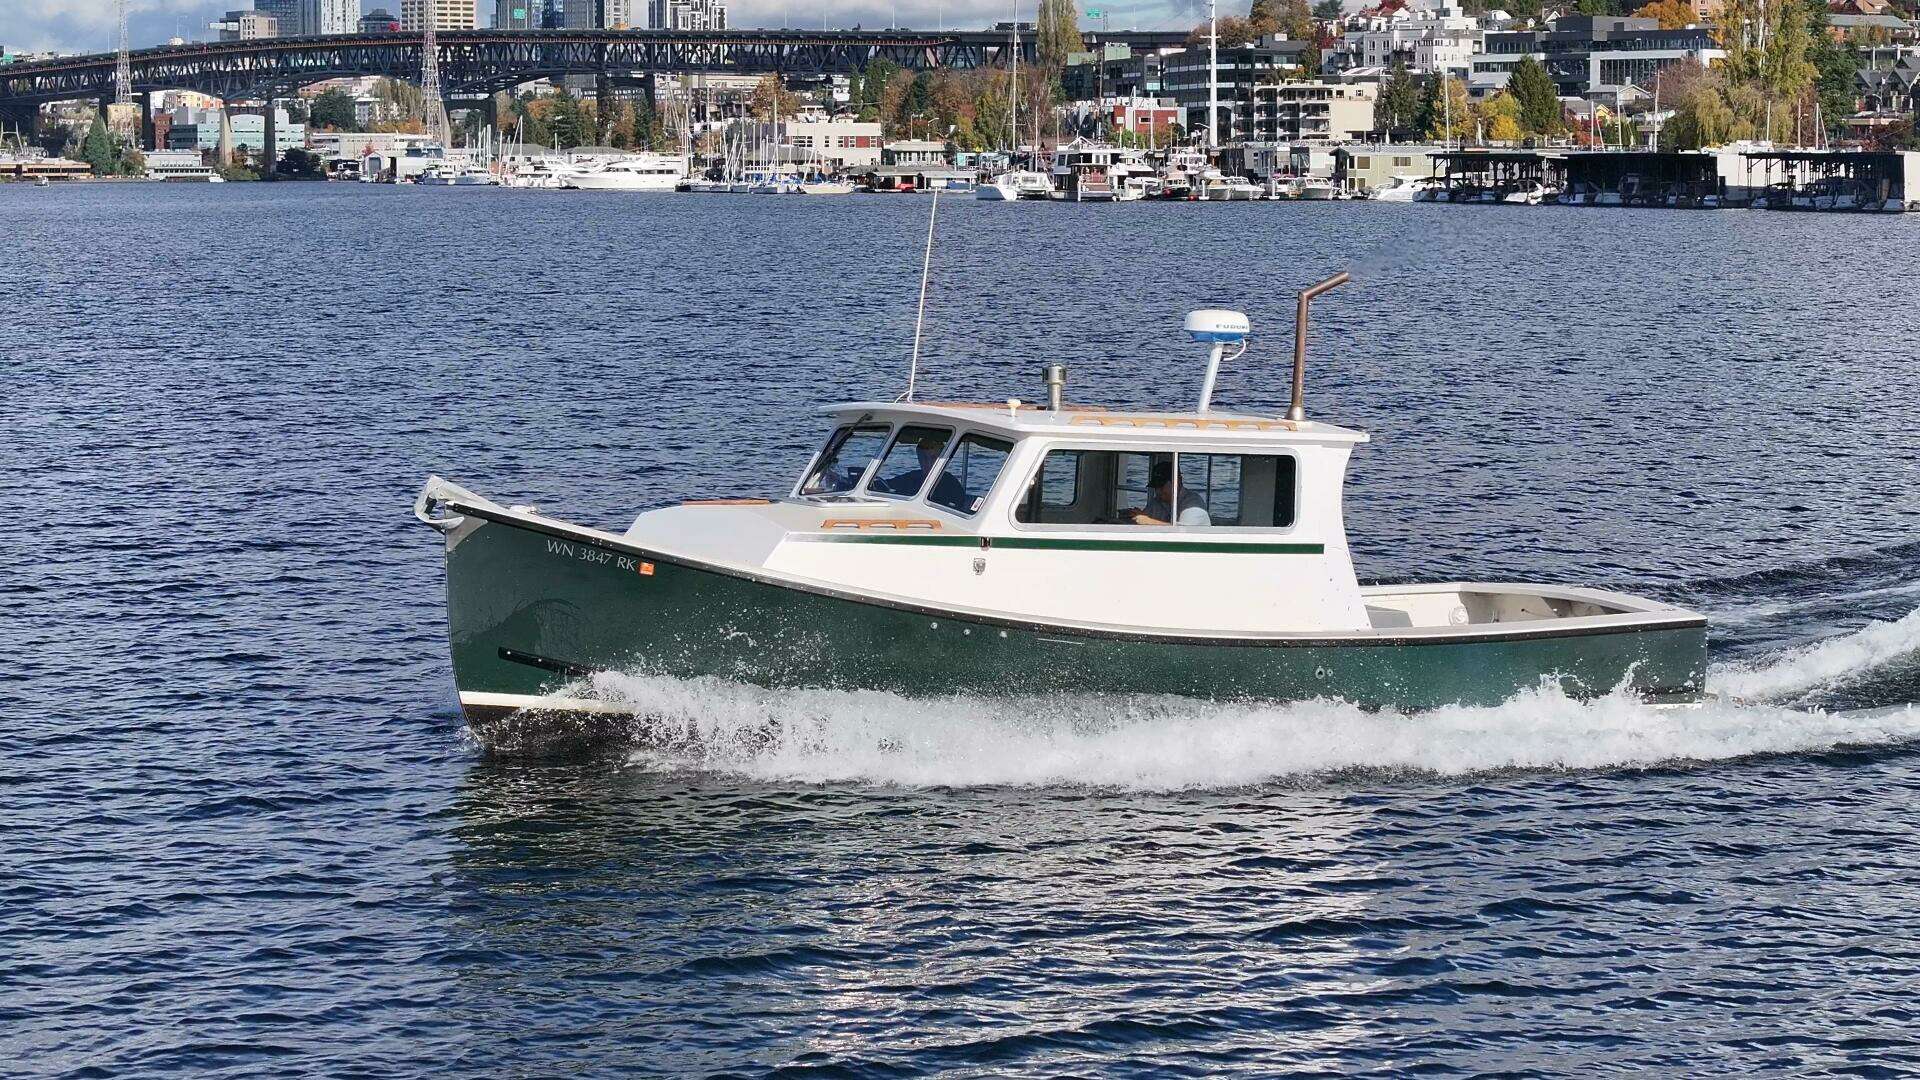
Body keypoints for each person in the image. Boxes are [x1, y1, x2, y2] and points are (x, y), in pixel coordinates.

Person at [875, 435, 965, 506]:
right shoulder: (912, 477)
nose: (928, 463)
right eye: (923, 458)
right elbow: (886, 485)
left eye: (933, 458)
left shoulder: (951, 485)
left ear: (942, 459)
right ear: (918, 458)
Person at [1131, 460, 1211, 526]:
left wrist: (1149, 522)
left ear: (1177, 481)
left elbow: (1184, 533)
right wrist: (1138, 516)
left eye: (1161, 486)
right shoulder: (1156, 502)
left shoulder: (1193, 504)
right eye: (1156, 487)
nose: (1158, 491)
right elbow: (1145, 519)